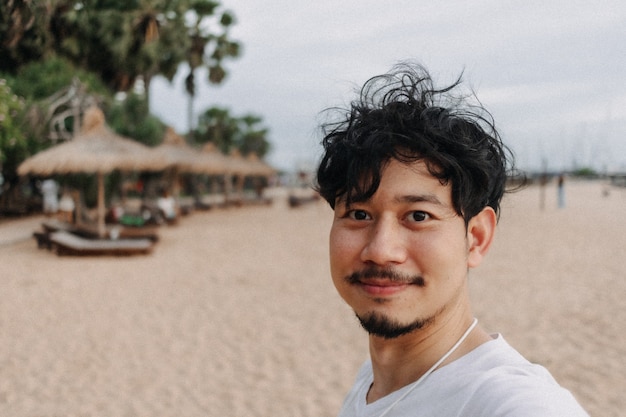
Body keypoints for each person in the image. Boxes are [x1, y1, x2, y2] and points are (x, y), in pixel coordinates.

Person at [315, 63, 588, 417]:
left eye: (418, 217)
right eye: (359, 215)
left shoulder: (514, 403)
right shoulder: (374, 380)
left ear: (476, 238)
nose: (381, 250)